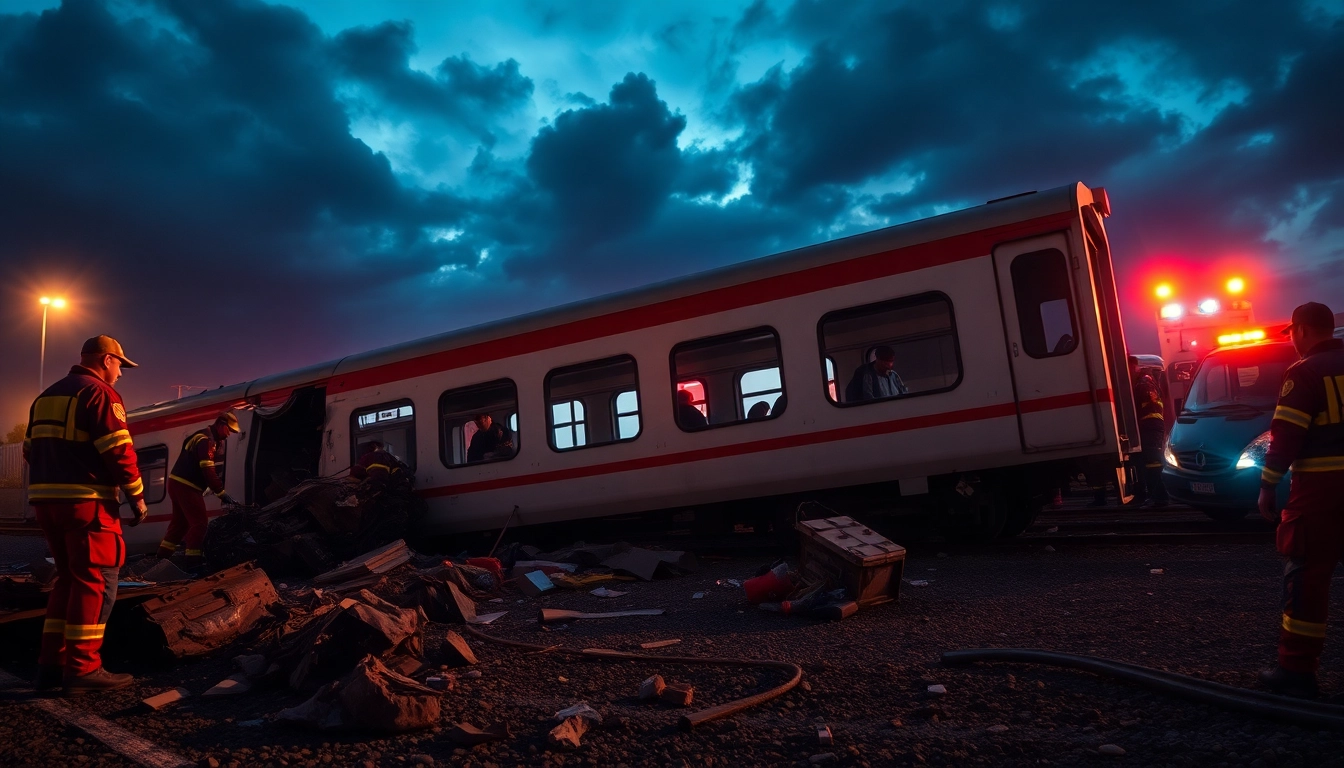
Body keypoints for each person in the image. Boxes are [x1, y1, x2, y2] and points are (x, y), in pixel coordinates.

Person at [23, 335, 147, 694]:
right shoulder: (100, 393)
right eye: (120, 365)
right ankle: (84, 669)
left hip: (47, 504)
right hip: (88, 503)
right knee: (96, 581)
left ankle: (51, 666)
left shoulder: (45, 397)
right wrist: (137, 497)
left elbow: (29, 450)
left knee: (68, 579)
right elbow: (119, 451)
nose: (120, 374)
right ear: (106, 360)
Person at [1256, 302, 1344, 698]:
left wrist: (1268, 485)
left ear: (1303, 330)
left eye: (1291, 331)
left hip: (1320, 493)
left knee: (1307, 578)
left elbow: (1286, 436)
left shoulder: (1304, 372)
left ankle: (1296, 671)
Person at [157, 412, 239, 568]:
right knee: (200, 523)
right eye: (229, 430)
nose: (229, 434)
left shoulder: (203, 437)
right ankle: (193, 564)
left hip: (177, 483)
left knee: (180, 524)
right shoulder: (205, 441)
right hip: (187, 486)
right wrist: (221, 493)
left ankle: (161, 558)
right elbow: (208, 470)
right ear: (220, 425)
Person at [1128, 355, 1170, 509]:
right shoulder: (1148, 381)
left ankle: (1160, 498)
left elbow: (1143, 405)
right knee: (1150, 462)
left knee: (1153, 462)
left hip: (1150, 425)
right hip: (1151, 425)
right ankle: (1156, 497)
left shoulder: (1144, 383)